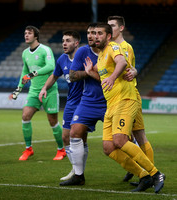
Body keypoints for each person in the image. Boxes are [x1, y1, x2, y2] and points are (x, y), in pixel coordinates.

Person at [84, 23, 164, 193]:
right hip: (111, 105)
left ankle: (156, 173)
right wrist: (91, 72)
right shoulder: (100, 56)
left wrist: (113, 77)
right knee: (108, 148)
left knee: (121, 140)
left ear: (108, 36)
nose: (96, 36)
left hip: (125, 100)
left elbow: (121, 62)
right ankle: (143, 176)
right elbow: (103, 77)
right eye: (94, 33)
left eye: (100, 33)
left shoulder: (114, 47)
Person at [107, 15, 156, 182]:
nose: (109, 29)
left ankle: (149, 173)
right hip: (120, 96)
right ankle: (140, 169)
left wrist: (133, 71)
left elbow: (127, 69)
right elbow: (132, 68)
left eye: (112, 26)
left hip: (128, 96)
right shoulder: (111, 47)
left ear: (121, 28)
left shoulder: (124, 47)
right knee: (130, 137)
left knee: (137, 136)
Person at [59, 23, 107, 186]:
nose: (91, 36)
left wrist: (91, 73)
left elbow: (114, 77)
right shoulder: (83, 52)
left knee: (117, 143)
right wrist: (87, 72)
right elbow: (72, 75)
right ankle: (78, 175)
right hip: (88, 101)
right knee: (74, 133)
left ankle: (141, 172)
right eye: (89, 33)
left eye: (95, 33)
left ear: (104, 35)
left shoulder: (111, 51)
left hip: (111, 100)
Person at [9, 25, 65, 161]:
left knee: (53, 121)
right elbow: (24, 73)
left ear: (36, 36)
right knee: (25, 116)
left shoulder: (45, 50)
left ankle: (61, 150)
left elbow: (51, 66)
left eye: (29, 33)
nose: (26, 35)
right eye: (25, 33)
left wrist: (33, 73)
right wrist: (18, 89)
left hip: (49, 90)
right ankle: (29, 149)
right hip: (34, 91)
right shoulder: (25, 53)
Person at [39, 30, 85, 180]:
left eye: (68, 41)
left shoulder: (85, 58)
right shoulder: (62, 60)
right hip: (71, 103)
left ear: (76, 43)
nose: (64, 43)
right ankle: (76, 171)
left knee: (83, 138)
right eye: (63, 40)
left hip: (87, 102)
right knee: (66, 137)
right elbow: (54, 75)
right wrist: (44, 88)